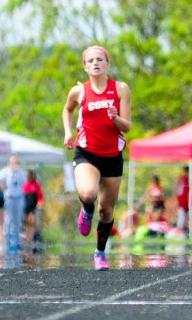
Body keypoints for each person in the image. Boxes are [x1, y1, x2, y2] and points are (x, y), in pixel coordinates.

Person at [62, 45, 131, 271]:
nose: (95, 63)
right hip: (87, 152)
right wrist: (67, 131)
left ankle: (100, 252)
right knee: (88, 194)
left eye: (99, 59)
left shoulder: (120, 89)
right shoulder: (78, 91)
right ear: (85, 66)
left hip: (112, 155)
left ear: (107, 64)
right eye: (90, 60)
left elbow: (127, 126)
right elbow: (67, 109)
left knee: (107, 210)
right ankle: (86, 209)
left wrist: (115, 119)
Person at [0, 155, 27, 252]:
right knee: (8, 219)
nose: (15, 164)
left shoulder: (21, 172)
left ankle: (16, 241)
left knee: (17, 220)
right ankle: (7, 241)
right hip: (9, 198)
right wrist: (3, 188)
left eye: (16, 162)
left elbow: (24, 183)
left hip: (19, 198)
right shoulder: (6, 171)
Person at [22, 169, 44, 250]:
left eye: (28, 176)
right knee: (26, 223)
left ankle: (37, 237)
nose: (27, 177)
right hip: (25, 207)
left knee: (32, 222)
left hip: (32, 207)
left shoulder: (35, 185)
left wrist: (40, 202)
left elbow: (40, 195)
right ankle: (28, 239)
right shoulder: (25, 185)